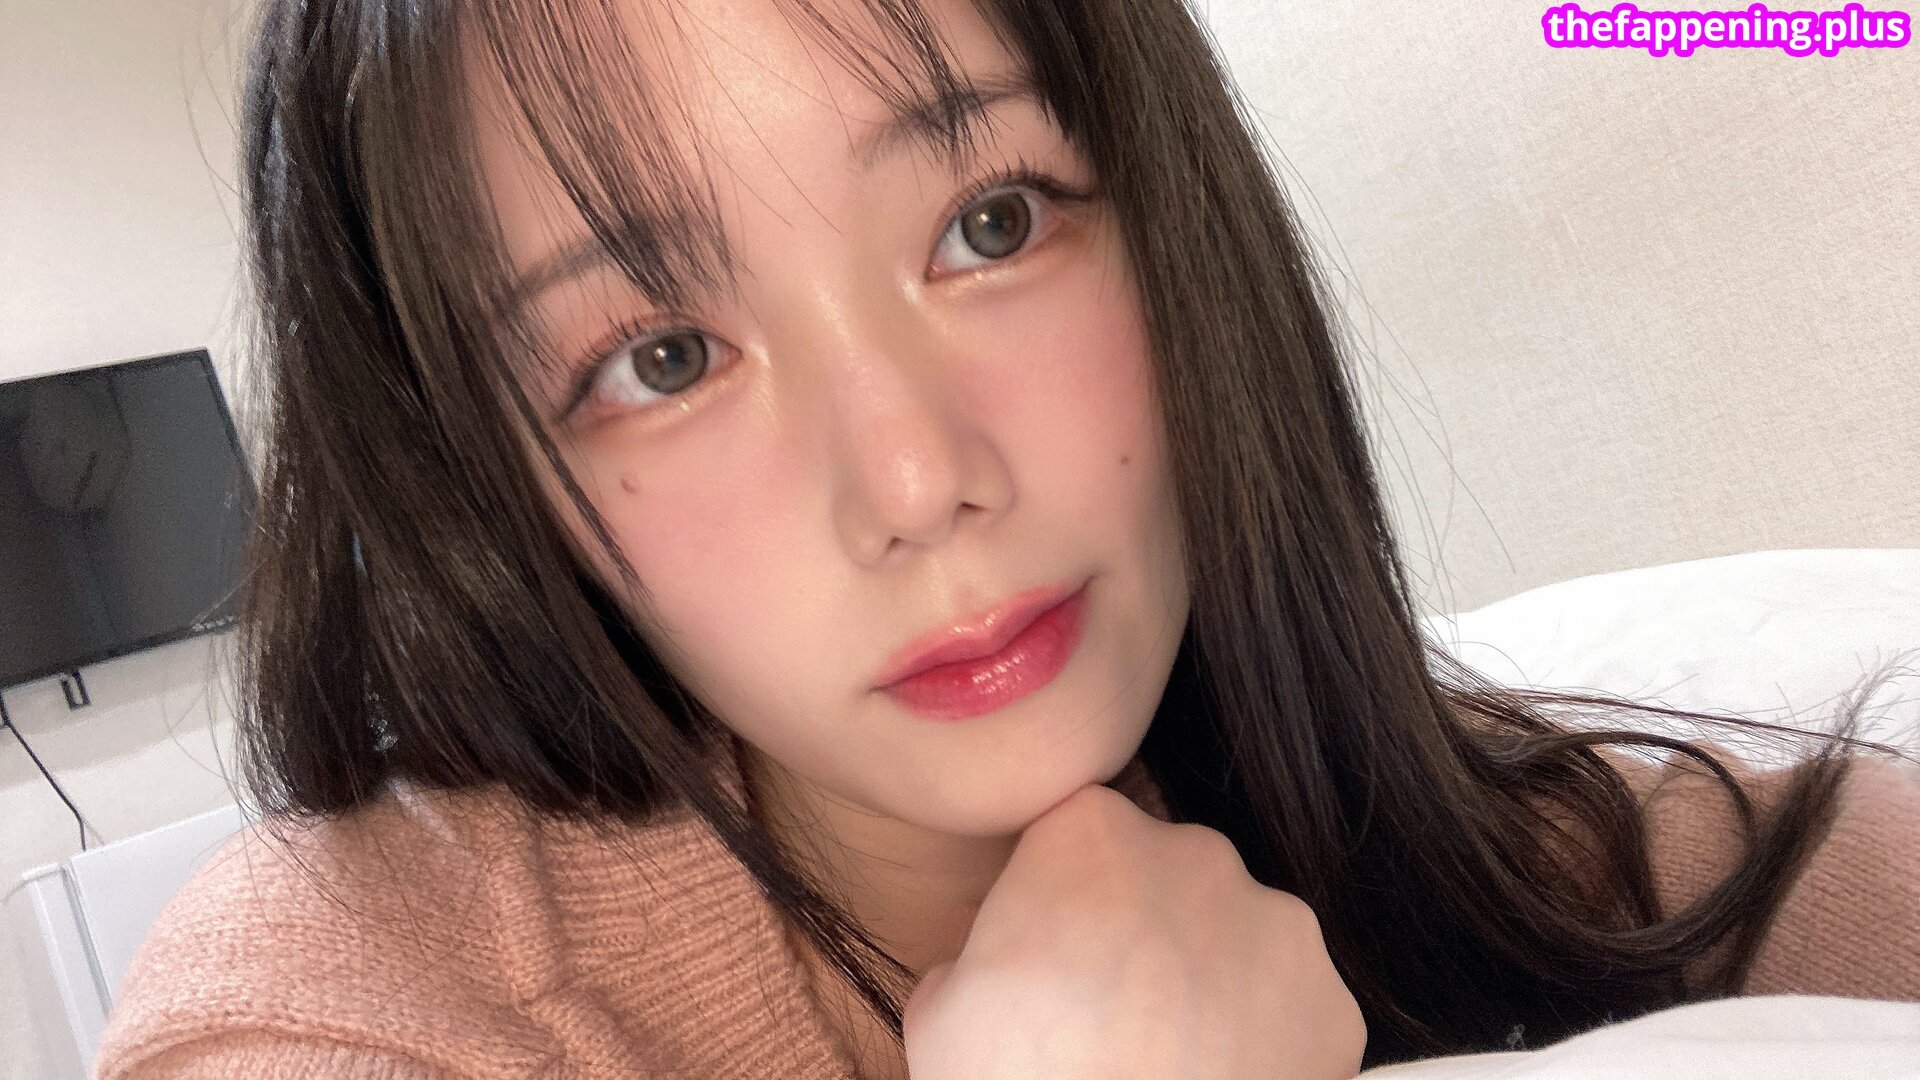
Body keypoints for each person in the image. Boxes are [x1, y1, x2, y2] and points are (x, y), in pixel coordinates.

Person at [96, 0, 1919, 1077]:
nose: (915, 481)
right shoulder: (353, 1010)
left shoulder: (1533, 849)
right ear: (496, 486)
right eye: (663, 360)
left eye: (992, 222)